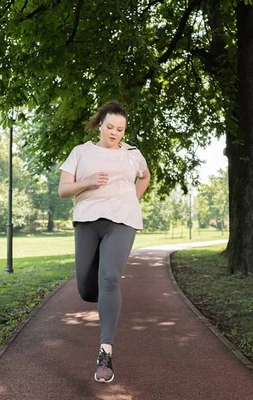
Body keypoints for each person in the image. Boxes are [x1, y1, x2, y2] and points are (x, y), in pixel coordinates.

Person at [58, 101, 150, 383]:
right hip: (87, 220)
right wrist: (86, 183)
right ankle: (106, 300)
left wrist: (131, 199)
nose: (114, 133)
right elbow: (63, 190)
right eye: (110, 127)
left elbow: (145, 177)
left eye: (120, 129)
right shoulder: (81, 152)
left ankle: (105, 352)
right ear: (100, 124)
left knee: (110, 278)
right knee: (87, 288)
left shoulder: (133, 154)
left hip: (123, 220)